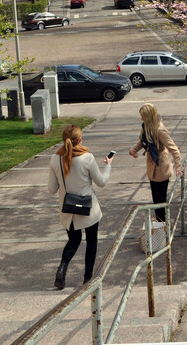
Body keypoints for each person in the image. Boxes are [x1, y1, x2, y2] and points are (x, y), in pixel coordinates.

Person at [48, 124, 112, 290]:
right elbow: (101, 182)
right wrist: (108, 165)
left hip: (68, 209)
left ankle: (62, 267)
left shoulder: (55, 158)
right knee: (91, 242)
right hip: (87, 209)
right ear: (80, 139)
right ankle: (87, 279)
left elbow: (52, 189)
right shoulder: (87, 158)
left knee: (73, 241)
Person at [128, 104, 182, 222]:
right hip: (152, 166)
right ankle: (159, 225)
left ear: (148, 117)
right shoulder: (146, 126)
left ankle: (161, 226)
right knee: (155, 199)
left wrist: (178, 167)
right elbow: (143, 141)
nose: (141, 119)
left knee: (160, 201)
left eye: (143, 116)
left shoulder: (159, 129)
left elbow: (174, 149)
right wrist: (134, 149)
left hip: (161, 167)